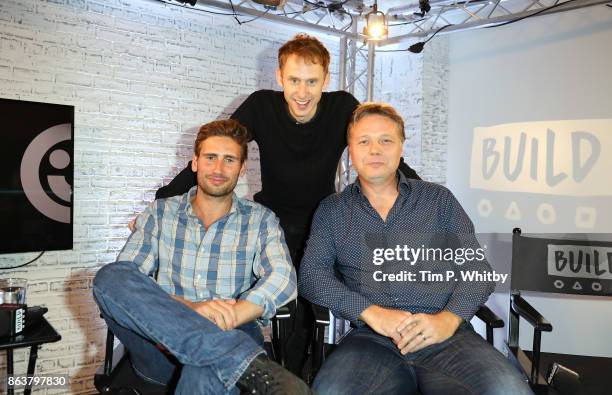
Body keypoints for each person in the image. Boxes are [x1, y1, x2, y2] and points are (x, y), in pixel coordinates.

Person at [150, 33, 421, 377]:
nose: (303, 92)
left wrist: (423, 198)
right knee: (277, 303)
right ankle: (270, 371)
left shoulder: (341, 107)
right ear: (280, 77)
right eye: (294, 80)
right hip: (272, 223)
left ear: (326, 79)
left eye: (312, 82)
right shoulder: (262, 105)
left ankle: (298, 375)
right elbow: (220, 149)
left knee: (312, 306)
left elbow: (381, 150)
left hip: (324, 223)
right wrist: (162, 201)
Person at [299, 103, 533, 395]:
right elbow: (311, 276)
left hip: (447, 337)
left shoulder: (438, 201)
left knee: (508, 390)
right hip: (372, 340)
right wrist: (371, 313)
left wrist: (448, 319)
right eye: (364, 141)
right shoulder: (333, 210)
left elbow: (477, 271)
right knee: (331, 391)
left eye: (386, 140)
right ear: (351, 150)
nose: (375, 149)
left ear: (401, 148)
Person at [93, 119, 312, 395]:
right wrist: (188, 311)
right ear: (195, 163)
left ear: (242, 169)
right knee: (110, 277)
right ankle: (240, 361)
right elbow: (128, 276)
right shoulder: (160, 213)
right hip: (159, 347)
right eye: (210, 158)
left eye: (229, 160)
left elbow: (284, 278)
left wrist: (232, 316)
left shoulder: (261, 220)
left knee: (206, 370)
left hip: (233, 329)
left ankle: (228, 356)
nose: (219, 169)